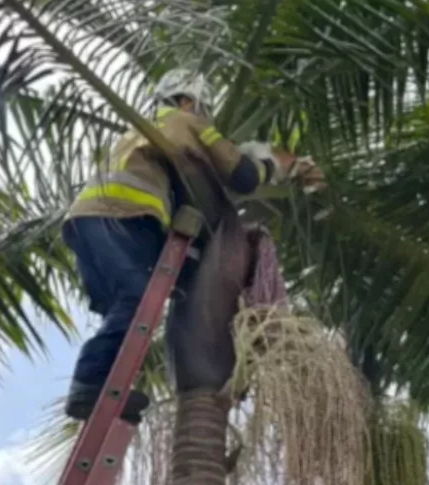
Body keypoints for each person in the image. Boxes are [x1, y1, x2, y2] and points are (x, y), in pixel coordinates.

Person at [61, 67, 311, 424]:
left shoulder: (138, 132)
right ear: (185, 100)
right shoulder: (183, 121)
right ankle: (89, 384)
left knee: (125, 308)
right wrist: (270, 165)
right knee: (137, 299)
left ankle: (103, 389)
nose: (200, 115)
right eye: (199, 107)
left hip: (88, 221)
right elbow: (241, 176)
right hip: (124, 217)